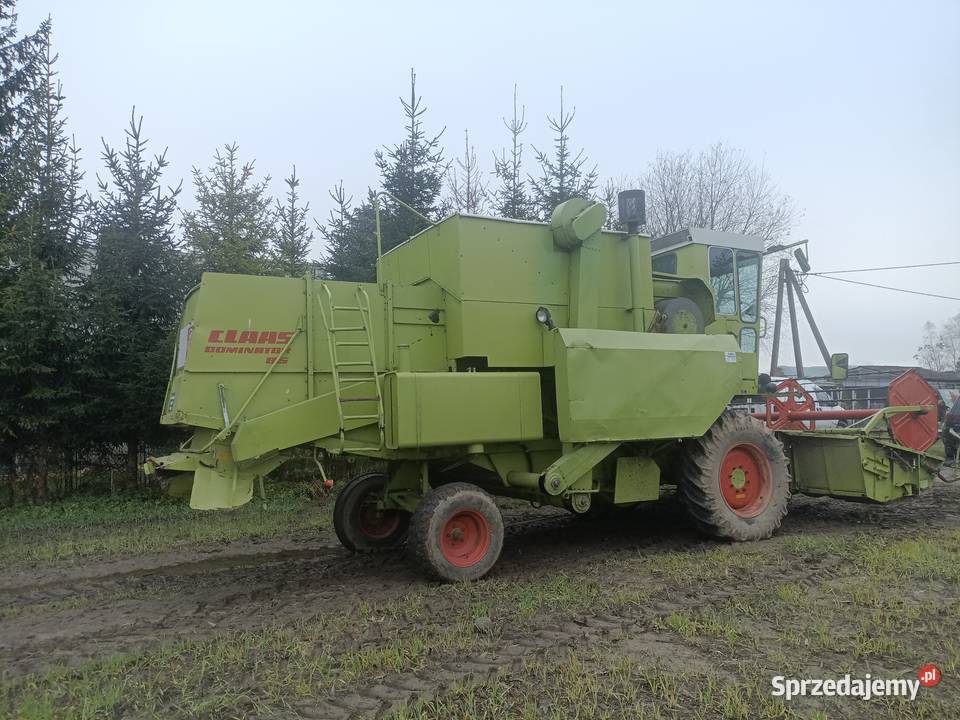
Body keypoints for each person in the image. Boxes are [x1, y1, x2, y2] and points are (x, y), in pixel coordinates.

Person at [944, 395, 960, 467]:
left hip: (953, 422)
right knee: (949, 436)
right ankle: (951, 458)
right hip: (953, 424)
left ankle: (951, 458)